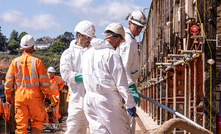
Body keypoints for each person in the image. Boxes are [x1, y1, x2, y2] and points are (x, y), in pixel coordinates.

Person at [82, 22, 136, 134]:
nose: (120, 45)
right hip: (107, 101)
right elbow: (121, 84)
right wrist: (130, 104)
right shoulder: (112, 55)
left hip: (89, 100)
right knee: (122, 131)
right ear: (117, 38)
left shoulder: (88, 53)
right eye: (120, 41)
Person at [4, 35, 54, 134]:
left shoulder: (15, 62)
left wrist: (8, 96)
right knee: (37, 122)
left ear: (22, 48)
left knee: (21, 125)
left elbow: (8, 81)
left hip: (20, 97)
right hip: (35, 97)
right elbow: (45, 83)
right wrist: (49, 96)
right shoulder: (38, 62)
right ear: (33, 47)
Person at [60, 20, 96, 134]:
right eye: (88, 37)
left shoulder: (93, 51)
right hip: (77, 100)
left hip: (93, 100)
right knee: (74, 129)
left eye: (91, 38)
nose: (90, 40)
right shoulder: (69, 53)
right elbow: (66, 74)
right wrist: (85, 76)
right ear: (79, 35)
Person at [116, 10, 147, 133]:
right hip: (125, 85)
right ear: (129, 23)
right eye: (137, 26)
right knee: (126, 121)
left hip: (127, 84)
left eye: (141, 27)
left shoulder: (131, 38)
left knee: (128, 121)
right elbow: (124, 67)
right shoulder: (127, 41)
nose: (139, 30)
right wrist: (131, 87)